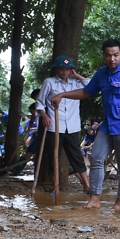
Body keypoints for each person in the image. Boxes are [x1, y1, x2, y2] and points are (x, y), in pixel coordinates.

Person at [50, 40, 120, 211]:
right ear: (104, 55)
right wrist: (63, 95)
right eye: (108, 55)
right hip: (108, 125)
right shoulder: (101, 74)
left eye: (116, 55)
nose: (112, 59)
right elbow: (86, 92)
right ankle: (94, 198)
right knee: (96, 157)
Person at [36, 55, 91, 193]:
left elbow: (90, 86)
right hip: (55, 125)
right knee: (54, 156)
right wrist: (44, 115)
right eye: (62, 69)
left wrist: (77, 75)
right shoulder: (49, 82)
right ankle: (56, 186)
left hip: (72, 126)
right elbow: (40, 103)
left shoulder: (75, 83)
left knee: (76, 156)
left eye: (68, 70)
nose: (65, 72)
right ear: (57, 69)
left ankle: (86, 185)